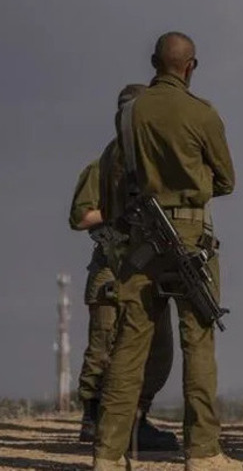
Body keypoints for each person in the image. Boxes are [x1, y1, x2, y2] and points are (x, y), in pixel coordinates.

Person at [93, 32, 238, 471]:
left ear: (154, 62)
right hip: (192, 237)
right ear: (190, 66)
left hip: (141, 238)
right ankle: (203, 452)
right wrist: (191, 188)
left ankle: (108, 453)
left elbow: (113, 183)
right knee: (198, 341)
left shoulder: (129, 115)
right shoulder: (203, 113)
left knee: (129, 345)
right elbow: (227, 181)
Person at [70, 84, 177, 451]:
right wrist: (121, 211)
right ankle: (93, 416)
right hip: (112, 269)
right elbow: (81, 216)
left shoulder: (157, 163)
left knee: (159, 351)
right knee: (103, 346)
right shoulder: (101, 166)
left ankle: (137, 417)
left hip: (148, 272)